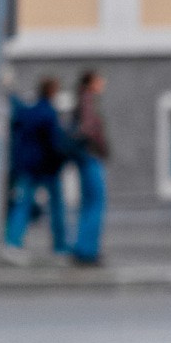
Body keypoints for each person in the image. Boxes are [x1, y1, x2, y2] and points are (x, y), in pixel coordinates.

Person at [5, 76, 69, 259]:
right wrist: (60, 160)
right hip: (47, 168)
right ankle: (60, 245)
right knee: (57, 207)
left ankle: (13, 242)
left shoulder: (28, 111)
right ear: (52, 92)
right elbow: (54, 143)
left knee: (21, 205)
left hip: (27, 167)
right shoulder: (49, 113)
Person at [66, 70, 110, 266]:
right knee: (95, 203)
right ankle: (87, 250)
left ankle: (83, 248)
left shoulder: (82, 99)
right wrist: (101, 146)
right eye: (99, 79)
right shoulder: (88, 100)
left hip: (84, 156)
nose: (102, 82)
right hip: (90, 156)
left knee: (88, 203)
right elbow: (89, 128)